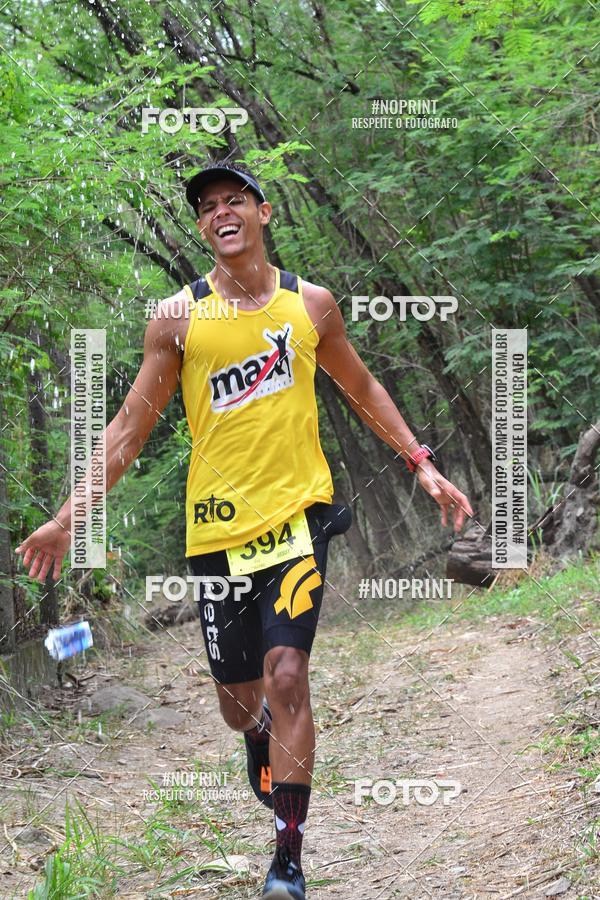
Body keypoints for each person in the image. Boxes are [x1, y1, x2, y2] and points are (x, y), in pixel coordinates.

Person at [16, 161, 473, 899]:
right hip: (216, 534)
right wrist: (70, 519)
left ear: (263, 213)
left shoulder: (310, 306)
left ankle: (287, 860)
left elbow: (361, 386)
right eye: (207, 206)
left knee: (288, 675)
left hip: (298, 521)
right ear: (202, 227)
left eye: (234, 200)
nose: (220, 212)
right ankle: (257, 734)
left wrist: (420, 462)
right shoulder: (177, 319)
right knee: (240, 703)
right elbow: (129, 429)